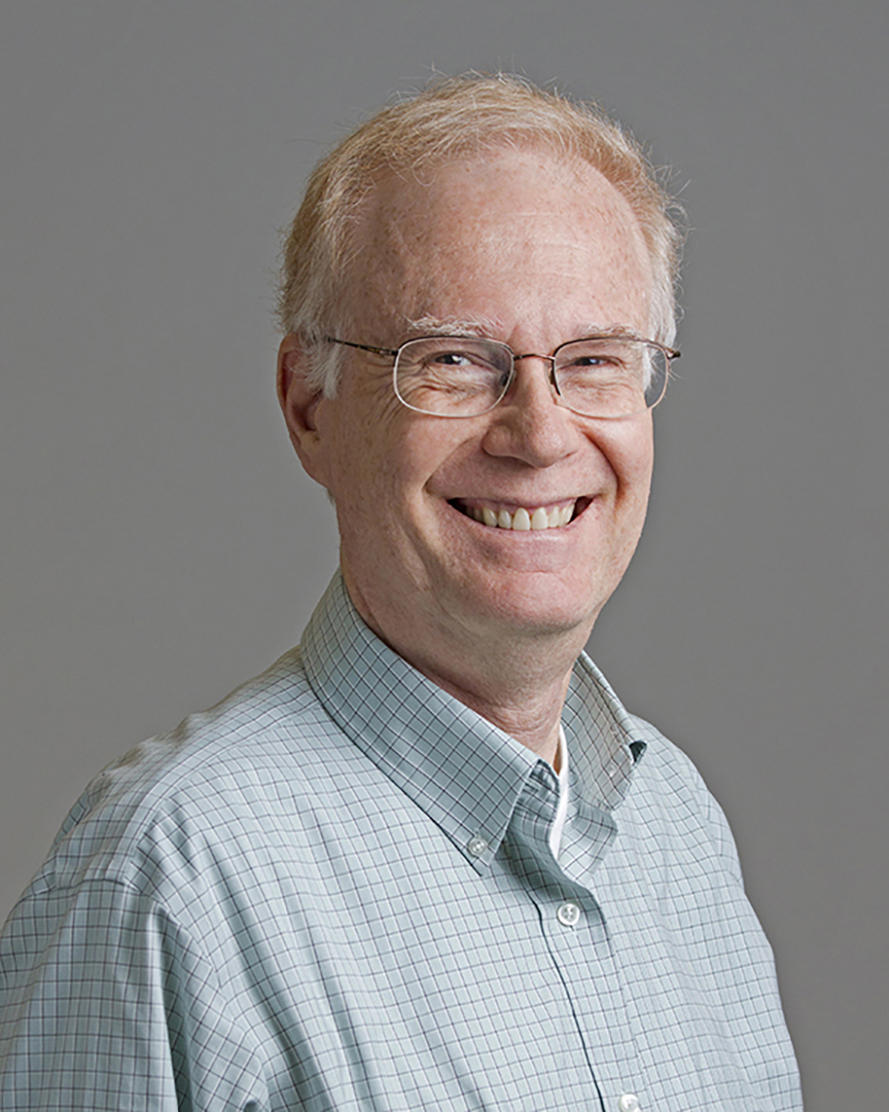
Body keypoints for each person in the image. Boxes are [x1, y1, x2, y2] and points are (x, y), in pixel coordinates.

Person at [0, 74, 802, 1111]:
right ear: (308, 407)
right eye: (454, 361)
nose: (541, 433)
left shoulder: (674, 823)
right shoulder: (173, 879)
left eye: (594, 360)